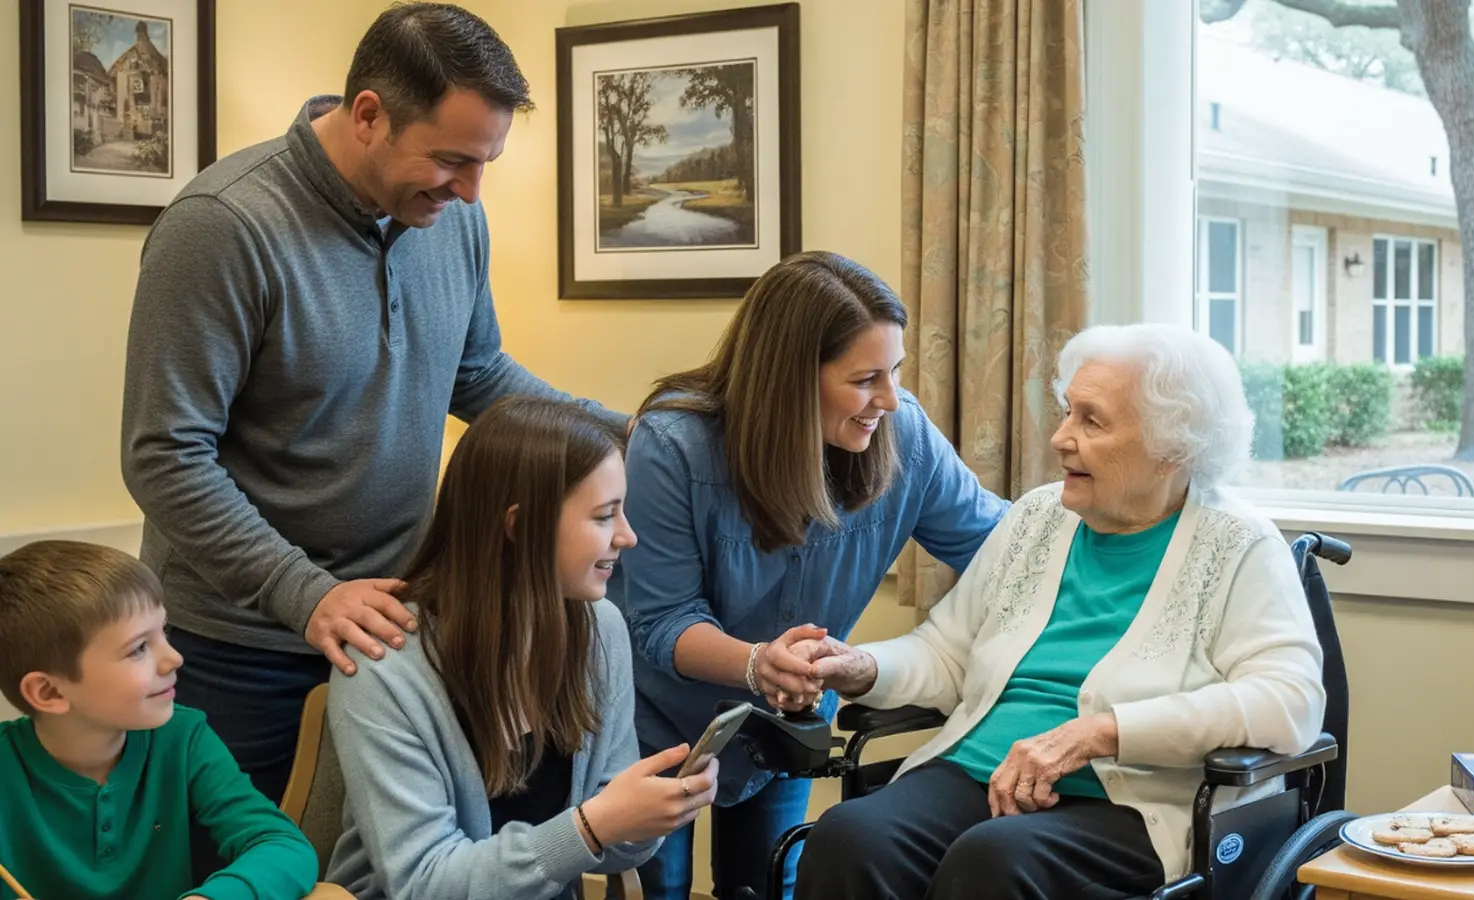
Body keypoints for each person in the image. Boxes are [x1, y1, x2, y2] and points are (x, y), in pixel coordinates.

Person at [118, 1, 623, 807]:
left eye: (487, 161)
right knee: (253, 877)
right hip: (242, 647)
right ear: (368, 116)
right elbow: (164, 454)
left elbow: (480, 372)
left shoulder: (454, 217)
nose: (470, 188)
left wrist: (627, 435)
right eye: (453, 159)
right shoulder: (221, 228)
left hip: (398, 627)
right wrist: (305, 592)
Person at [790, 323, 1329, 900]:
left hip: (1130, 802)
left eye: (1091, 421)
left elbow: (1289, 702)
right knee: (848, 836)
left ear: (1172, 447)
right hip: (979, 770)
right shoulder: (1037, 517)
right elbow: (946, 653)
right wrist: (860, 665)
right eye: (1068, 412)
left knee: (994, 860)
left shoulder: (1238, 544)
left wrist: (1101, 733)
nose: (1061, 438)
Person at [613, 250, 1011, 900]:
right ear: (792, 379)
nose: (890, 398)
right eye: (865, 380)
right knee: (664, 888)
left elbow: (1002, 545)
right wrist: (756, 663)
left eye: (895, 372)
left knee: (769, 886)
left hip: (781, 731)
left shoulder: (903, 433)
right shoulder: (672, 446)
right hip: (655, 725)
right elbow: (660, 622)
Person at [325, 397, 710, 900]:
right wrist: (592, 826)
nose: (628, 536)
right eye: (603, 516)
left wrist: (650, 814)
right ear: (520, 526)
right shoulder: (384, 667)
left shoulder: (601, 630)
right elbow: (424, 882)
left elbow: (612, 844)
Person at [0, 541, 318, 900]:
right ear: (49, 693)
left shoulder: (183, 737)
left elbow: (282, 845)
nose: (174, 659)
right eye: (138, 648)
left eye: (163, 633)